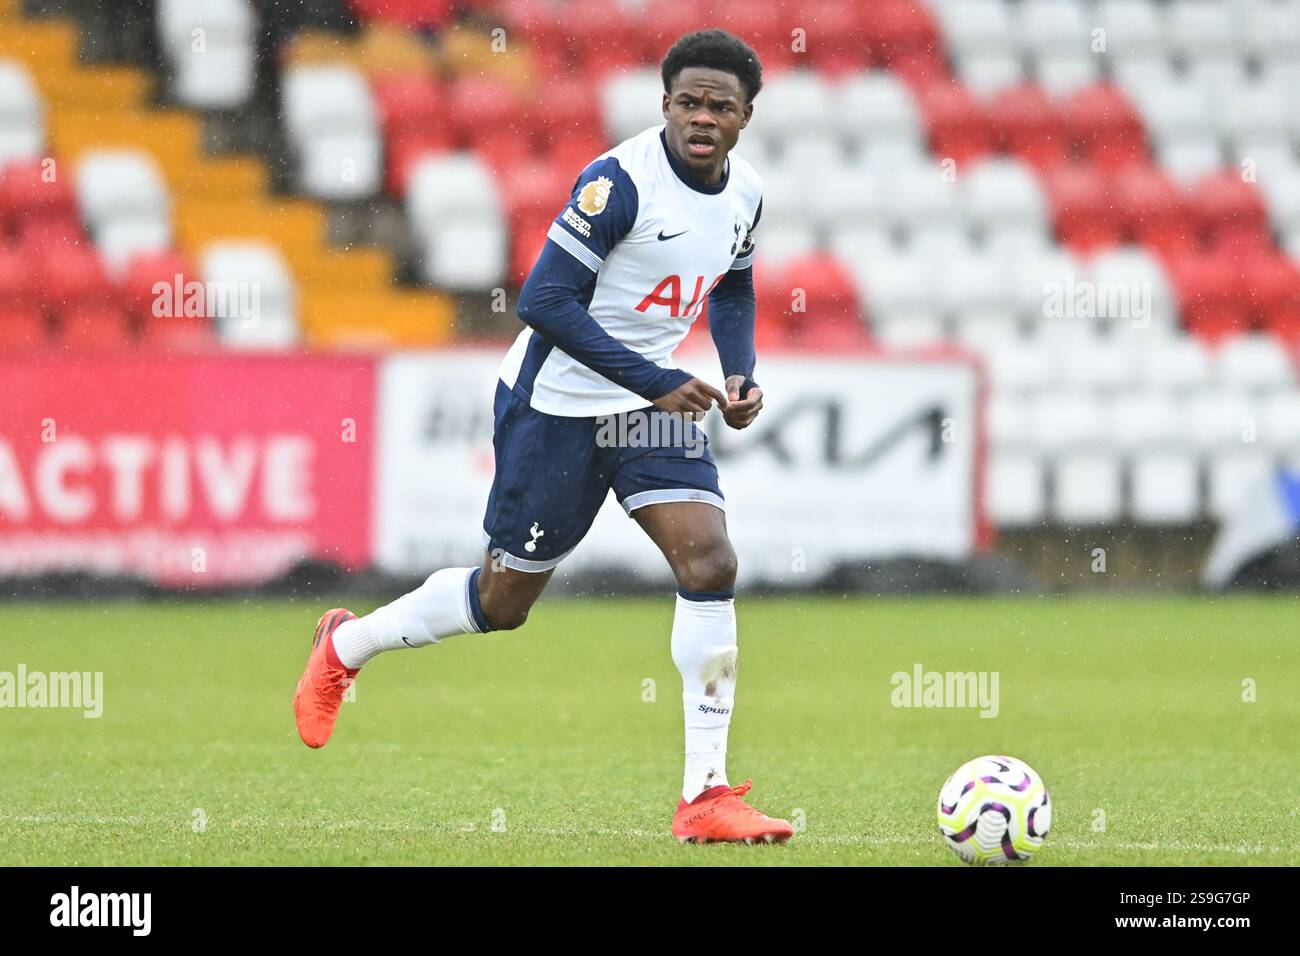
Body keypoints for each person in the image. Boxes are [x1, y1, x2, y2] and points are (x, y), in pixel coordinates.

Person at [294, 29, 791, 846]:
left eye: (721, 106)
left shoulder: (747, 195)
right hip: (554, 406)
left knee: (711, 561)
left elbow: (733, 285)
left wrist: (737, 372)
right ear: (666, 103)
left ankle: (704, 794)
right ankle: (346, 644)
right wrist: (656, 378)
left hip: (645, 405)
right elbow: (544, 303)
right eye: (690, 101)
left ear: (745, 117)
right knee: (503, 602)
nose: (703, 117)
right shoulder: (618, 183)